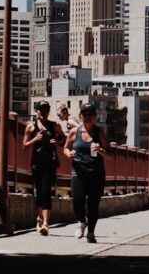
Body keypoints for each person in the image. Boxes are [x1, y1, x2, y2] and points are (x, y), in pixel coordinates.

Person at [63, 103, 110, 243]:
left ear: (95, 117)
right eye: (85, 114)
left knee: (93, 204)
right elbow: (65, 147)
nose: (87, 117)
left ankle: (91, 233)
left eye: (90, 114)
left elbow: (111, 155)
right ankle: (82, 222)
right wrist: (69, 153)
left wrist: (101, 150)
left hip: (96, 174)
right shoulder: (74, 132)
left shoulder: (99, 133)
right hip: (78, 172)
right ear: (80, 116)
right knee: (77, 200)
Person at [23, 100, 61, 236]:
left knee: (46, 191)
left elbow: (64, 139)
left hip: (50, 163)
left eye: (46, 110)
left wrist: (57, 142)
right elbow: (24, 145)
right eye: (41, 110)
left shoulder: (54, 125)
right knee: (38, 191)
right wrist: (35, 139)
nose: (44, 112)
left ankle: (45, 223)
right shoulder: (31, 127)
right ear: (36, 111)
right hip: (36, 163)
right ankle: (39, 218)